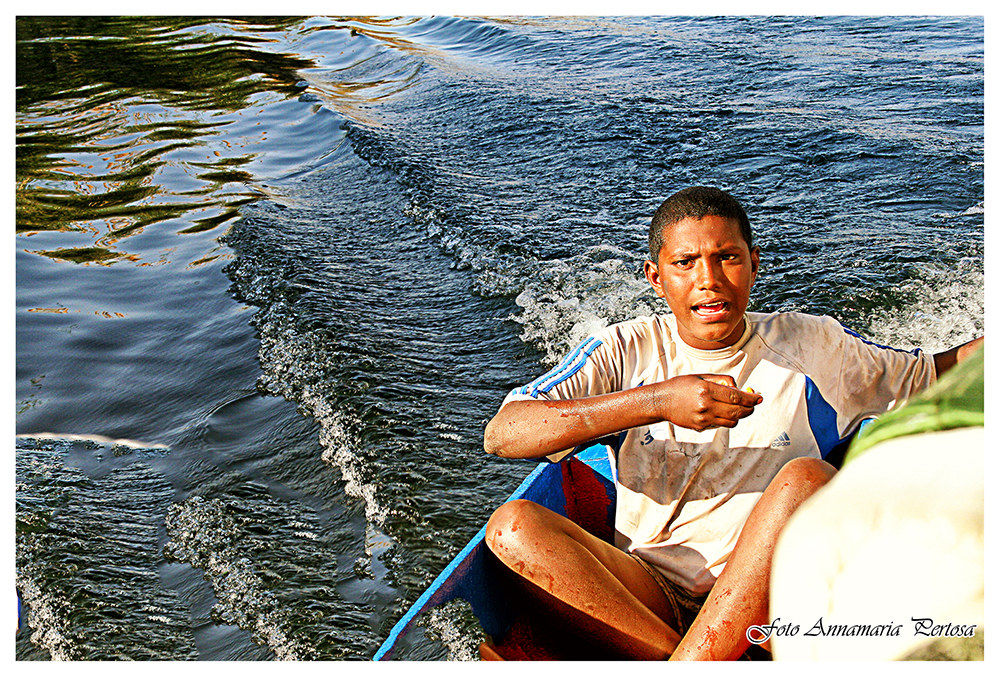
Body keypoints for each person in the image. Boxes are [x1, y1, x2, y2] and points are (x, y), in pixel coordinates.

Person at [482, 186, 983, 661]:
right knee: (513, 527)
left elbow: (929, 375)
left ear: (753, 263)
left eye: (727, 257)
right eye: (685, 263)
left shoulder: (811, 343)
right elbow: (505, 433)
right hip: (647, 589)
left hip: (771, 596)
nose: (709, 280)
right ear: (656, 277)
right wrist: (656, 402)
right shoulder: (625, 349)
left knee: (807, 478)